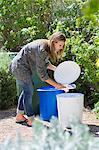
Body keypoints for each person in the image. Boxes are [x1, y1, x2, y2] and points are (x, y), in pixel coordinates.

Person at [9, 32, 69, 127]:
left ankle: (19, 116)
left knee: (26, 91)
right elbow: (43, 76)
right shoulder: (43, 49)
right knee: (29, 91)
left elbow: (44, 63)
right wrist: (57, 85)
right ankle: (31, 119)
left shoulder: (47, 47)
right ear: (54, 42)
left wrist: (56, 69)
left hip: (23, 67)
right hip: (19, 67)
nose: (61, 48)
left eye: (63, 45)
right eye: (60, 45)